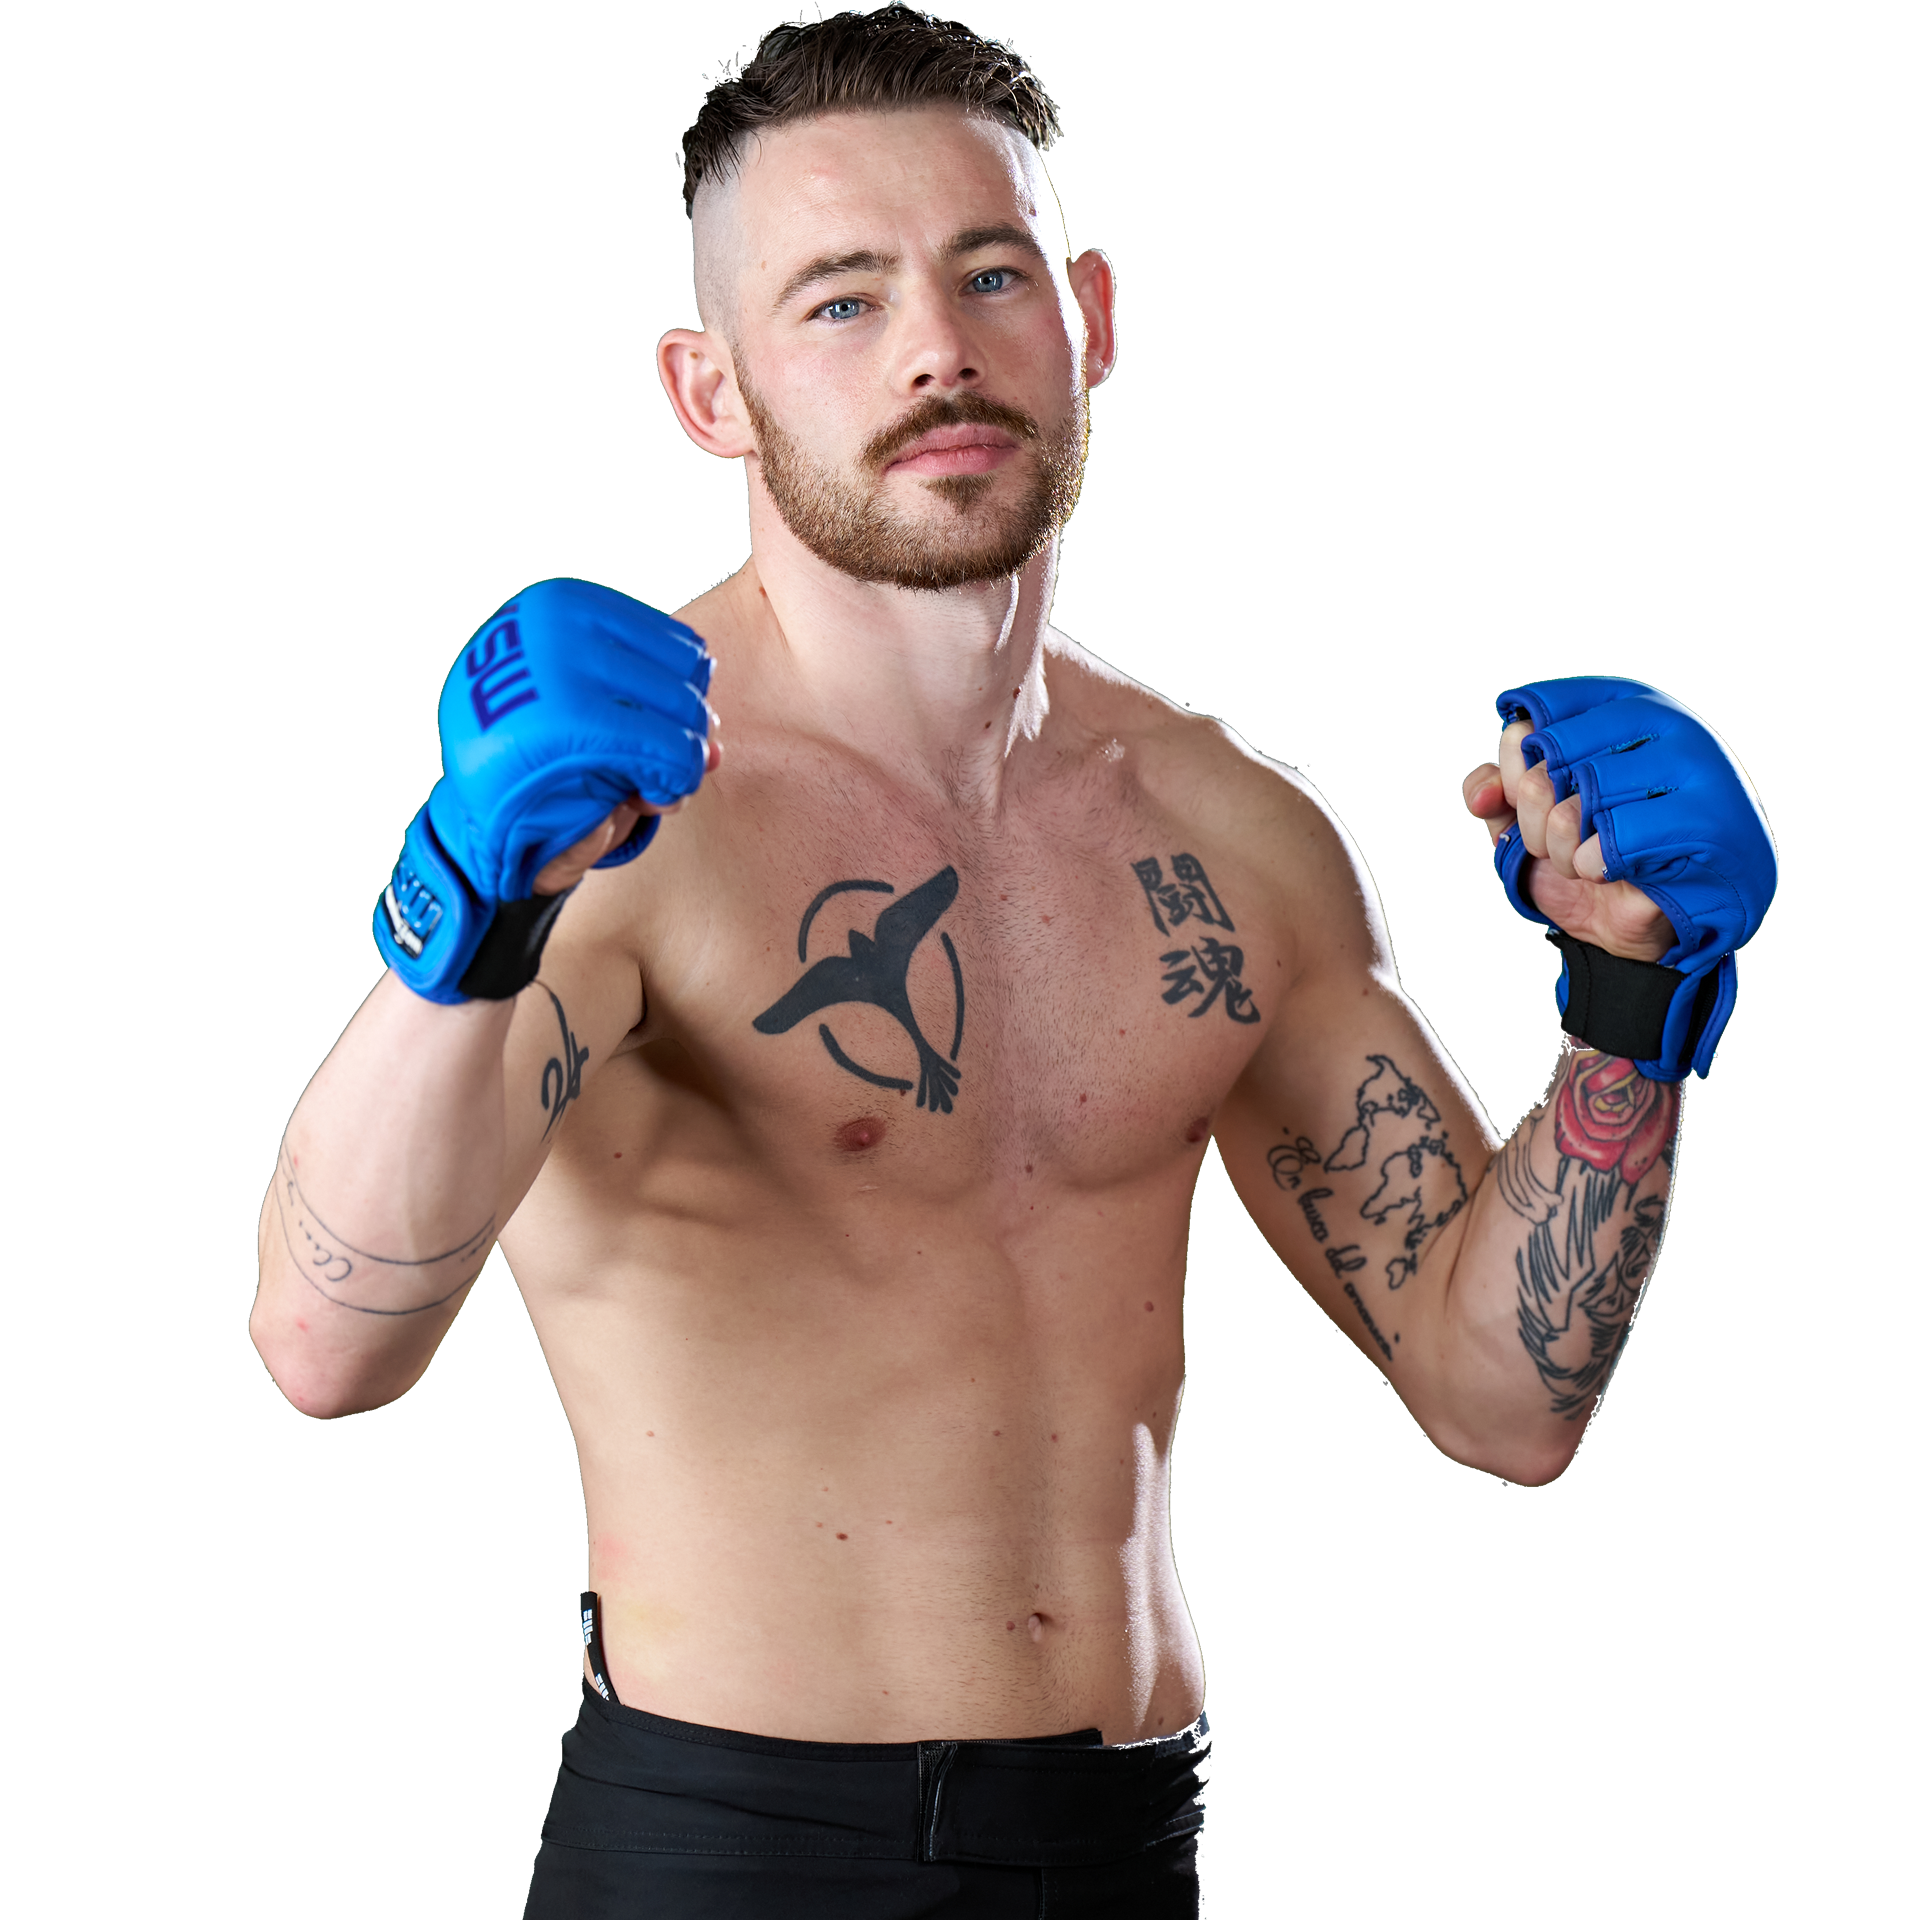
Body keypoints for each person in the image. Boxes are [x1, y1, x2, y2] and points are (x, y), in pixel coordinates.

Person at [249, 10, 1775, 1915]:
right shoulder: (616, 826)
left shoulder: (1236, 833)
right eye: (841, 299)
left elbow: (1504, 1400)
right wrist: (463, 918)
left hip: (1127, 1839)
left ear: (1090, 318)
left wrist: (1637, 1002)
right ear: (711, 392)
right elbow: (325, 1346)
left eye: (992, 274)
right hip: (735, 1847)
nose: (938, 349)